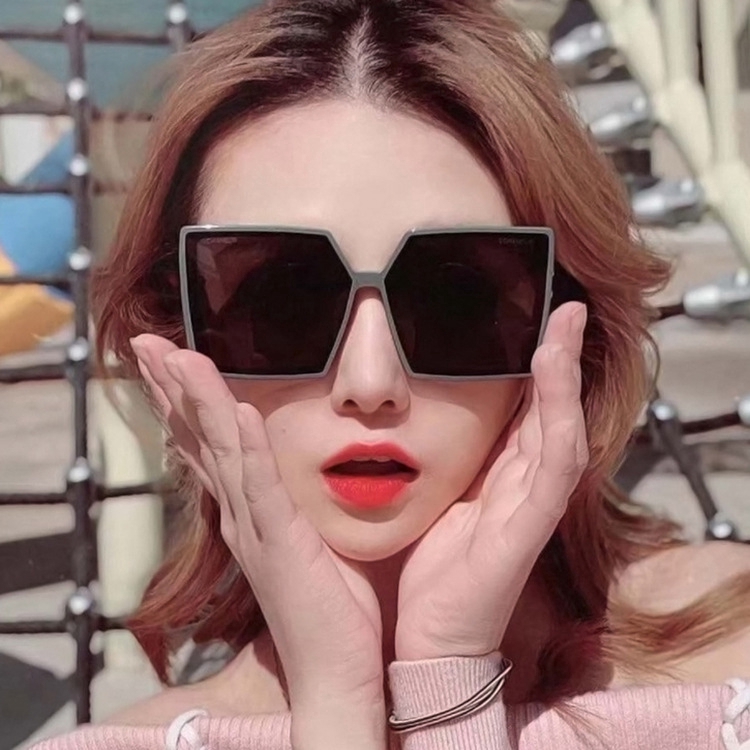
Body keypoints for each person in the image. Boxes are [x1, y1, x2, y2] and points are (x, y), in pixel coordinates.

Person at [30, 1, 750, 748]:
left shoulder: (727, 673)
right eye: (281, 301)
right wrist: (338, 703)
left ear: (573, 334)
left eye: (455, 300)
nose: (370, 382)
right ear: (174, 342)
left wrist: (451, 673)